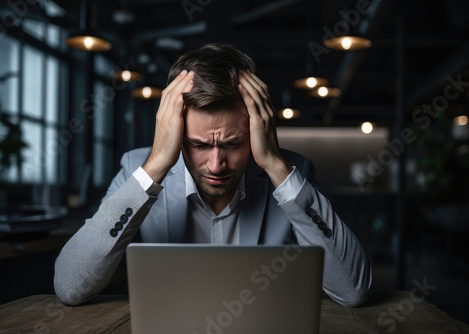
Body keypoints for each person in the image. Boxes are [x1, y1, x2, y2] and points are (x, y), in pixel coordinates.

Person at [54, 43, 372, 307]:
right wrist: (154, 168)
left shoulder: (291, 173)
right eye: (199, 144)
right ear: (175, 133)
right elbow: (70, 286)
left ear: (257, 128)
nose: (217, 164)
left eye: (233, 143)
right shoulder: (137, 170)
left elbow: (353, 290)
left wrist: (275, 164)